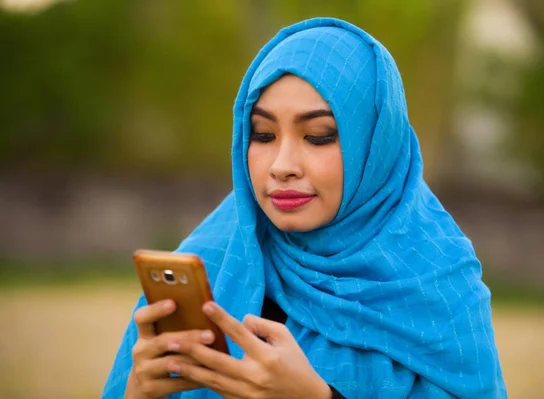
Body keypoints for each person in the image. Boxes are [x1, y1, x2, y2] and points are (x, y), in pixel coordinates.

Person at [102, 17, 506, 399]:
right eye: (262, 134)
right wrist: (137, 391)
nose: (282, 167)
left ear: (375, 148)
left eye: (318, 136)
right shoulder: (212, 264)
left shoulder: (438, 285)